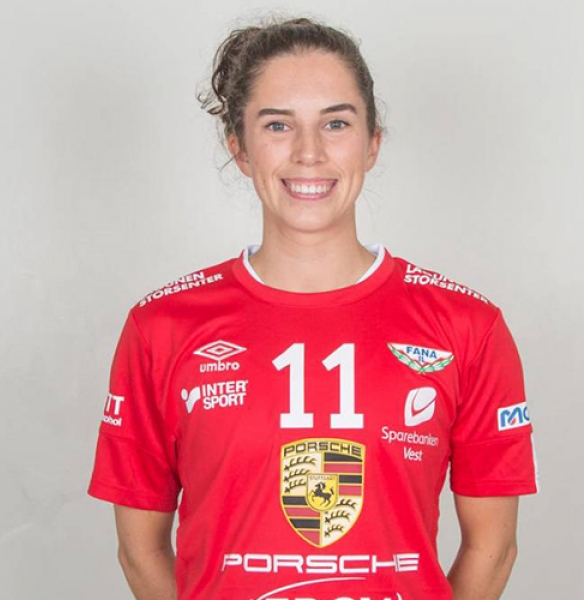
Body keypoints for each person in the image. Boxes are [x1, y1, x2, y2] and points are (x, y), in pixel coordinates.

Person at [87, 16, 538, 600]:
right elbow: (140, 550)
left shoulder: (467, 328)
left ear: (372, 143)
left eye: (336, 123)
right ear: (239, 148)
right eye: (278, 125)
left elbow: (492, 548)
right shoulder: (162, 328)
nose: (309, 152)